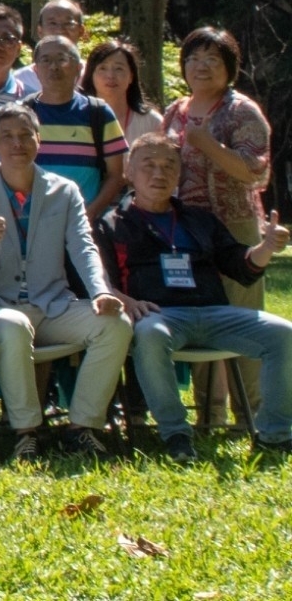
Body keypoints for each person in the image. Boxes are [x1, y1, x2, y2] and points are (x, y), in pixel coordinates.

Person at [94, 133, 292, 459]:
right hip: (159, 316)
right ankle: (175, 434)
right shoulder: (112, 224)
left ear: (179, 174)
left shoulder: (199, 219)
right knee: (150, 334)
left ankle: (274, 434)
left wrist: (266, 248)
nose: (159, 173)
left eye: (169, 166)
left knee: (282, 333)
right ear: (129, 171)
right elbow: (97, 280)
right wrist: (126, 301)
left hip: (212, 312)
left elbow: (240, 266)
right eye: (149, 165)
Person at [0, 104, 131, 460]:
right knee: (15, 324)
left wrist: (100, 291)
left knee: (115, 325)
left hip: (53, 304)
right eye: (7, 136)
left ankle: (82, 426)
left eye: (25, 135)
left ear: (39, 140)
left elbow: (83, 246)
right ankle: (27, 431)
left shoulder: (64, 191)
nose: (17, 143)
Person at [159, 26, 273, 431]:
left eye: (212, 59)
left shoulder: (242, 111)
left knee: (243, 320)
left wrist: (208, 145)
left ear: (229, 68)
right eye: (193, 58)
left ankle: (253, 417)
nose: (201, 66)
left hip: (235, 225)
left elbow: (255, 173)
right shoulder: (176, 111)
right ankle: (211, 416)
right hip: (188, 230)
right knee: (201, 315)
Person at [23, 35, 127, 223]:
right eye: (46, 60)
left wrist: (90, 213)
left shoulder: (99, 113)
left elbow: (116, 175)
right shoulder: (22, 113)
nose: (54, 67)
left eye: (62, 59)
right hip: (31, 224)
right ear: (36, 70)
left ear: (79, 69)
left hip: (83, 226)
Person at [81, 38, 162, 144]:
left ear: (131, 77)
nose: (110, 76)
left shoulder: (151, 121)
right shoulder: (76, 118)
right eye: (103, 68)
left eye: (119, 69)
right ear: (91, 75)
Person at [10, 0, 87, 98]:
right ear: (40, 30)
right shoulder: (20, 80)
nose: (60, 30)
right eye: (52, 23)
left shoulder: (94, 76)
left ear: (81, 31)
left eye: (68, 23)